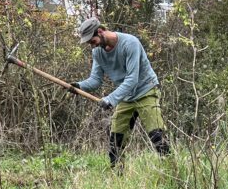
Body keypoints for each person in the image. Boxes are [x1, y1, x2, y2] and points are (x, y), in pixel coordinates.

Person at [71, 16, 170, 168]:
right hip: (126, 97)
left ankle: (173, 173)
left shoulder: (130, 43)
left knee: (157, 136)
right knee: (115, 142)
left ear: (100, 31)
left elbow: (132, 79)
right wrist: (78, 86)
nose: (92, 46)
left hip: (146, 90)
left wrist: (110, 99)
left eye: (92, 41)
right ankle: (118, 177)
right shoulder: (97, 52)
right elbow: (95, 80)